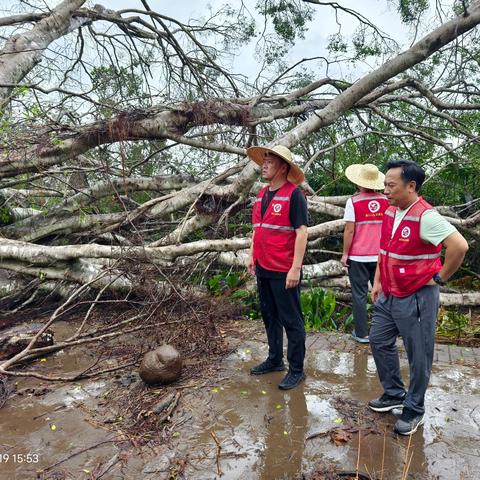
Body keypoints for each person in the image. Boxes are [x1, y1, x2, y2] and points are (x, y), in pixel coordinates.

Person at [368, 159, 468, 436]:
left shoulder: (426, 216)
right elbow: (384, 250)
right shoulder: (390, 212)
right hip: (389, 291)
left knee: (419, 354)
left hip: (416, 296)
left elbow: (459, 246)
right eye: (384, 184)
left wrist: (440, 277)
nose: (385, 190)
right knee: (378, 339)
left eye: (391, 185)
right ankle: (394, 393)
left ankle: (414, 409)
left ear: (411, 186)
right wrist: (377, 281)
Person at [246, 145, 308, 390]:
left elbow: (302, 233)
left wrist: (296, 268)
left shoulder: (295, 196)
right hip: (263, 266)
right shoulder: (261, 195)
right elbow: (257, 230)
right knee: (270, 316)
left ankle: (296, 370)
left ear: (284, 167)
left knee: (292, 320)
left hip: (284, 269)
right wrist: (252, 255)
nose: (265, 164)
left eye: (270, 161)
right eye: (264, 161)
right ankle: (274, 360)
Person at [341, 164, 389, 343]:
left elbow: (349, 230)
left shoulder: (353, 202)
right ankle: (383, 333)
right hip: (380, 256)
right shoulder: (386, 200)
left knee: (359, 295)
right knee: (382, 294)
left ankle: (362, 334)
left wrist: (345, 253)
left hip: (358, 257)